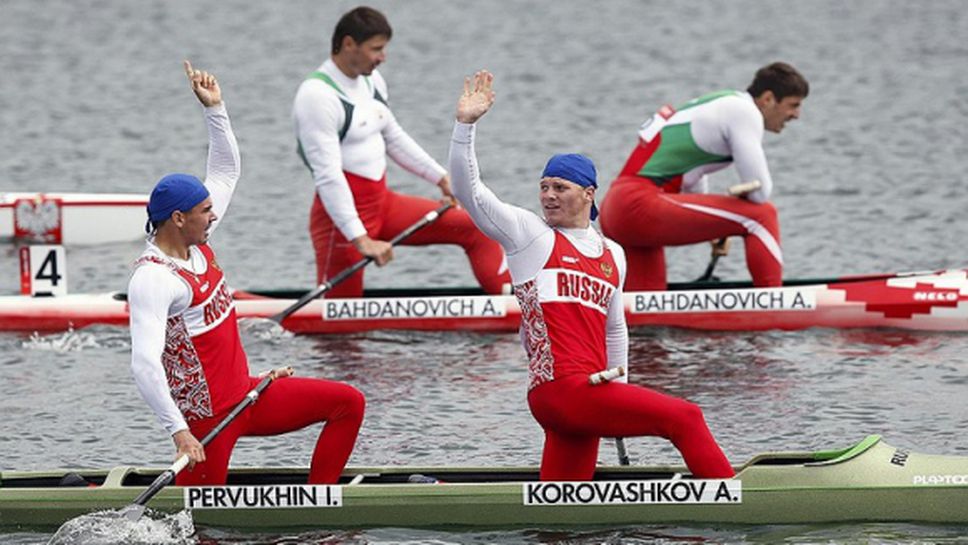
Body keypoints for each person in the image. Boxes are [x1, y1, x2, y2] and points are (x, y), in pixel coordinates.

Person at [449, 70, 734, 481]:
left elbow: (615, 330)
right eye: (544, 187)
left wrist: (621, 387)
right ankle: (731, 499)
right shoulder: (530, 236)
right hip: (560, 391)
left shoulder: (612, 254)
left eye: (560, 188)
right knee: (686, 417)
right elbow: (469, 191)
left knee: (564, 510)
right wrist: (465, 126)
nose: (548, 195)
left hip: (587, 394)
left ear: (588, 194)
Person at [128, 61, 365, 485]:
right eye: (205, 212)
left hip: (249, 395)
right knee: (203, 530)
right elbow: (145, 365)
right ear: (178, 218)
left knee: (348, 403)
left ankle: (321, 506)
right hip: (207, 421)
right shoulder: (154, 279)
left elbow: (224, 171)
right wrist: (179, 432)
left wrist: (215, 110)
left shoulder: (197, 236)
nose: (213, 215)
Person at [293, 6, 510, 297]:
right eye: (376, 49)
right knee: (342, 337)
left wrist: (442, 178)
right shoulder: (317, 96)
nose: (383, 57)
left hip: (383, 205)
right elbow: (328, 175)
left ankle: (517, 309)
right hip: (341, 223)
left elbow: (393, 137)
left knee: (476, 227)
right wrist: (360, 239)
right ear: (348, 45)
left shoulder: (372, 81)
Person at [599, 62, 809, 291]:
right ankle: (773, 304)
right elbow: (760, 193)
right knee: (762, 216)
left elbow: (691, 177)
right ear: (768, 99)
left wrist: (714, 228)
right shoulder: (745, 112)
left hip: (615, 210)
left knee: (648, 307)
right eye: (793, 105)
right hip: (638, 205)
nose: (797, 115)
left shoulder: (717, 103)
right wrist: (730, 219)